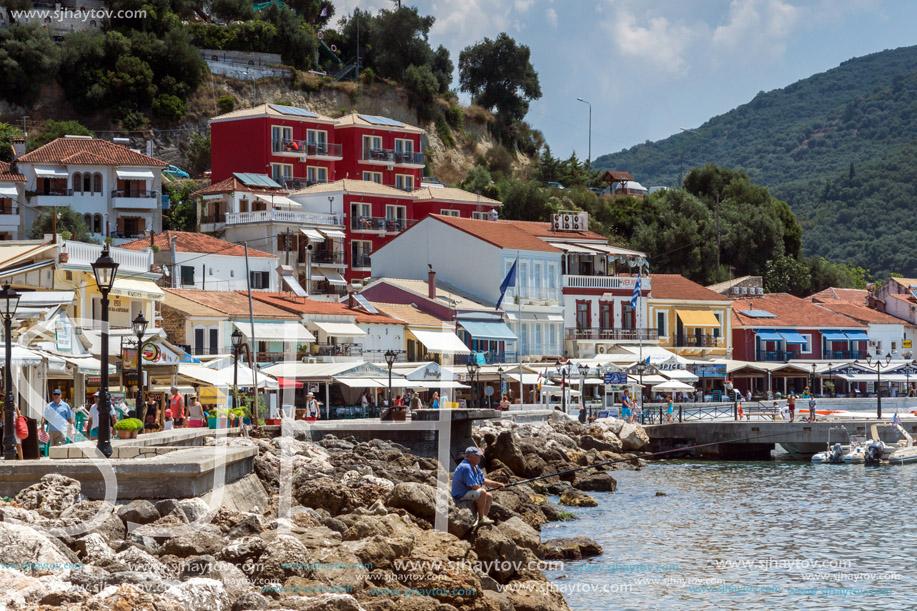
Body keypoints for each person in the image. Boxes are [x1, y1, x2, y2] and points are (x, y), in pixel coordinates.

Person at [451, 446, 504, 527]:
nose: (480, 457)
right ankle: (481, 518)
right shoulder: (466, 467)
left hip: (468, 492)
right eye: (478, 455)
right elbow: (473, 486)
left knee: (489, 496)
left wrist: (497, 484)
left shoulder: (475, 466)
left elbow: (484, 480)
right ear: (471, 457)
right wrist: (482, 491)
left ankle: (483, 518)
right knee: (483, 492)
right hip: (460, 495)